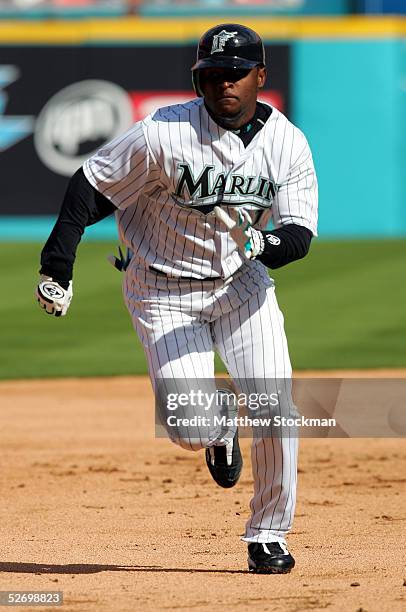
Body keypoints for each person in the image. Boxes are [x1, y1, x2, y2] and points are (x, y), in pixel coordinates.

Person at [36, 23, 318, 574]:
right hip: (162, 288)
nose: (223, 85)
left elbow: (300, 233)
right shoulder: (162, 133)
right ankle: (218, 430)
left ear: (261, 75)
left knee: (276, 410)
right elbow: (92, 186)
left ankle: (267, 533)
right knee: (187, 426)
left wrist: (265, 243)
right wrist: (58, 265)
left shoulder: (288, 144)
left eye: (235, 73)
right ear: (199, 81)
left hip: (242, 289)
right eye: (211, 75)